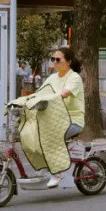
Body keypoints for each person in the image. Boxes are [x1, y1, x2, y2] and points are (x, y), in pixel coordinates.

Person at [42, 47, 85, 187]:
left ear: (68, 62)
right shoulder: (52, 78)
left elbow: (65, 93)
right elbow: (39, 93)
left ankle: (59, 173)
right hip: (56, 119)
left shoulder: (74, 78)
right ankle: (45, 168)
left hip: (73, 121)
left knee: (52, 138)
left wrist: (50, 97)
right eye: (53, 59)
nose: (55, 62)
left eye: (58, 59)